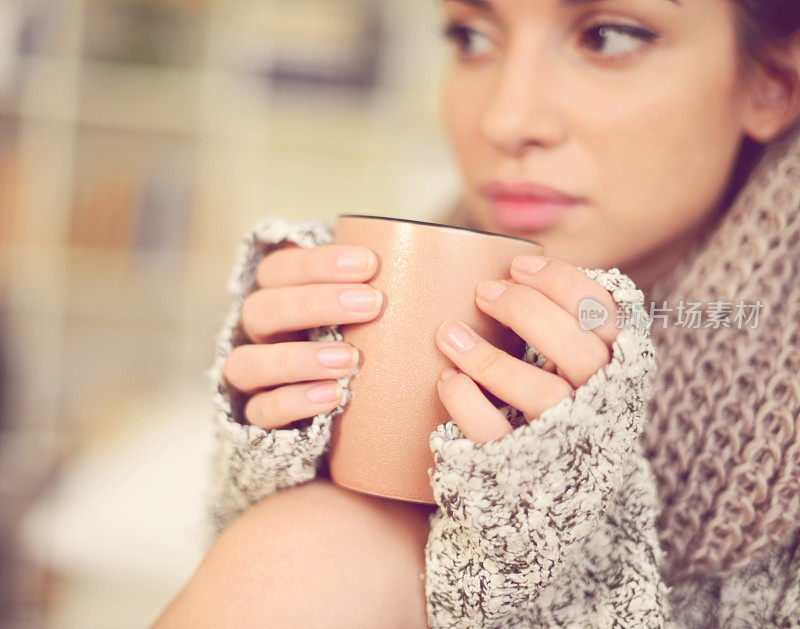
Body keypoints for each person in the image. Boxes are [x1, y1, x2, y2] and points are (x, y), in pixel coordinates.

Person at [152, 0, 800, 627]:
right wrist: (290, 464)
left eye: (607, 36)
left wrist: (549, 557)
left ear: (771, 85)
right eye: (471, 36)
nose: (506, 119)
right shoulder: (399, 285)